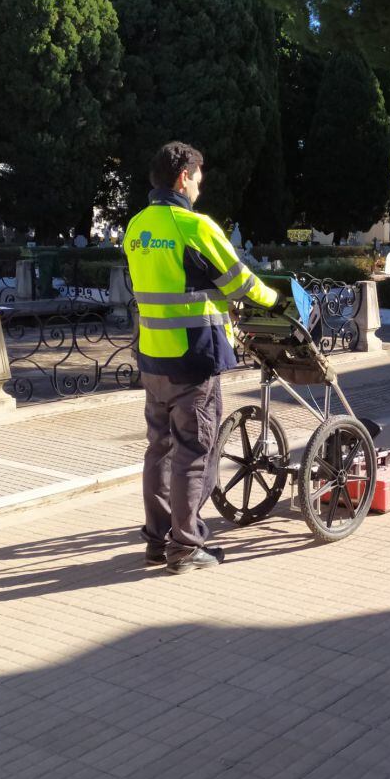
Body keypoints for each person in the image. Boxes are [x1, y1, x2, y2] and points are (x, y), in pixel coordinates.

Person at [124, 141, 281, 574]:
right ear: (182, 177)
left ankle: (156, 541)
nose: (200, 184)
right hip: (193, 360)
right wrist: (275, 299)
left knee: (159, 450)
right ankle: (187, 547)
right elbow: (241, 282)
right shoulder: (194, 226)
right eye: (198, 176)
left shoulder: (136, 227)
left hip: (152, 358)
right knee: (193, 452)